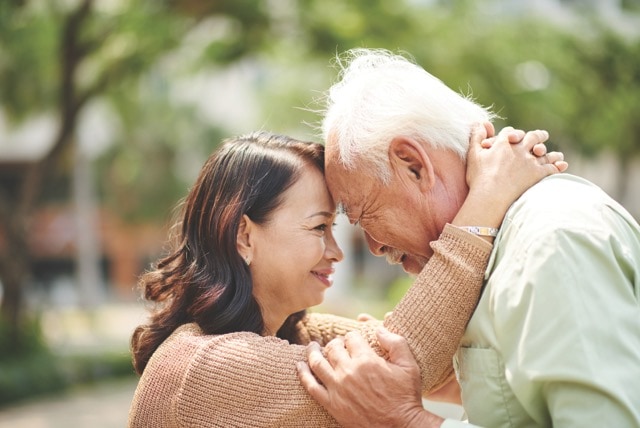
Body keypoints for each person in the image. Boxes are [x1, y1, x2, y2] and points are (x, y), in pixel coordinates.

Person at [127, 128, 562, 427]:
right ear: (244, 235)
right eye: (319, 227)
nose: (335, 251)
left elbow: (435, 365)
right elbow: (402, 359)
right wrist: (487, 197)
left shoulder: (294, 333)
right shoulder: (202, 365)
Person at [298, 48, 640, 427]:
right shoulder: (505, 250)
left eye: (363, 215)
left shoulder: (551, 241)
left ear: (414, 166)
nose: (374, 246)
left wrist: (404, 421)